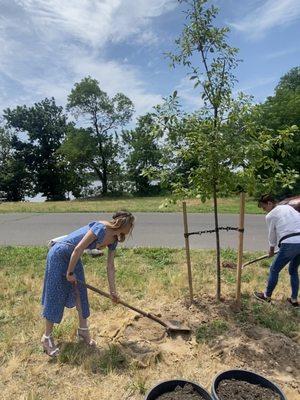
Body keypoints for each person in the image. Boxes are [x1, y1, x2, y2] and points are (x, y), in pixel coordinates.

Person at [41, 211, 135, 357]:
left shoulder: (114, 239)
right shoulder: (101, 228)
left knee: (81, 293)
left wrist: (113, 292)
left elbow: (110, 266)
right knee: (55, 295)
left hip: (73, 256)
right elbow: (78, 248)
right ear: (123, 223)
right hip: (60, 253)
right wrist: (70, 272)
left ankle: (83, 330)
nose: (132, 228)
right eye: (131, 224)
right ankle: (46, 338)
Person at [254, 195, 300, 307]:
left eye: (264, 207)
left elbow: (272, 235)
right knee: (293, 270)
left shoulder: (270, 215)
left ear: (269, 203)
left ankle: (266, 296)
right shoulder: (288, 208)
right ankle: (294, 300)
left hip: (290, 243)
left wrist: (271, 249)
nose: (264, 210)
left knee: (274, 269)